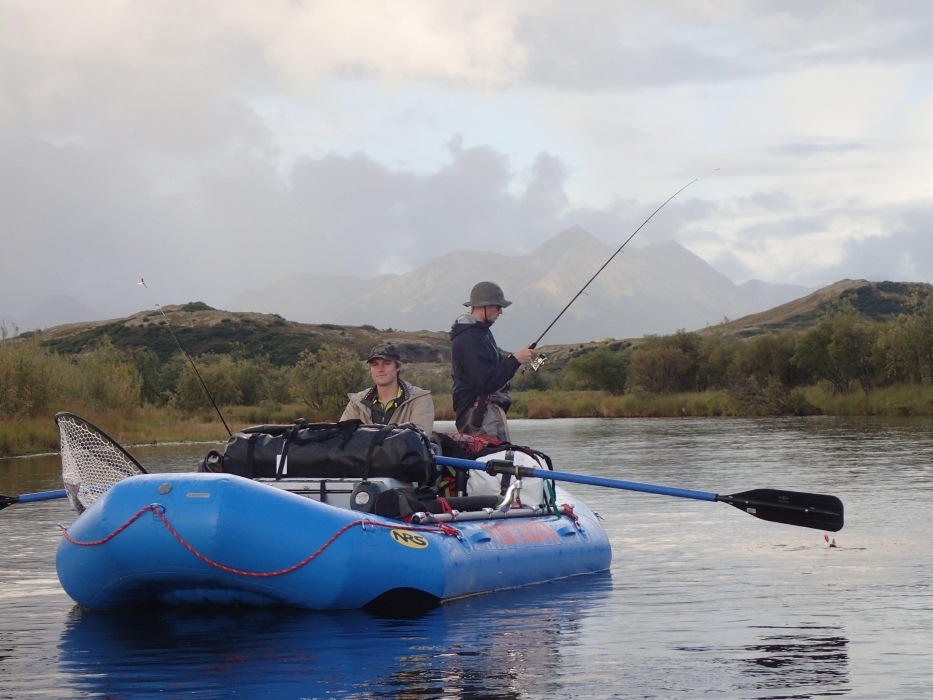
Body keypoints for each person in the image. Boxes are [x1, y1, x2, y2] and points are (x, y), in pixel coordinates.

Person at [450, 281, 533, 441]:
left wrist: (513, 360)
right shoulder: (469, 336)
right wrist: (515, 360)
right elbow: (487, 381)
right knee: (495, 456)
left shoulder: (480, 333)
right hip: (479, 417)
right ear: (485, 306)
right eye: (498, 306)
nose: (501, 311)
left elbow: (491, 374)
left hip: (484, 415)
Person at [340, 343, 435, 434]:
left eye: (386, 363)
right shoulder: (357, 402)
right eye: (375, 364)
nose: (380, 369)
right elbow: (341, 437)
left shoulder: (420, 399)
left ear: (398, 367)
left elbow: (419, 439)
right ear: (370, 369)